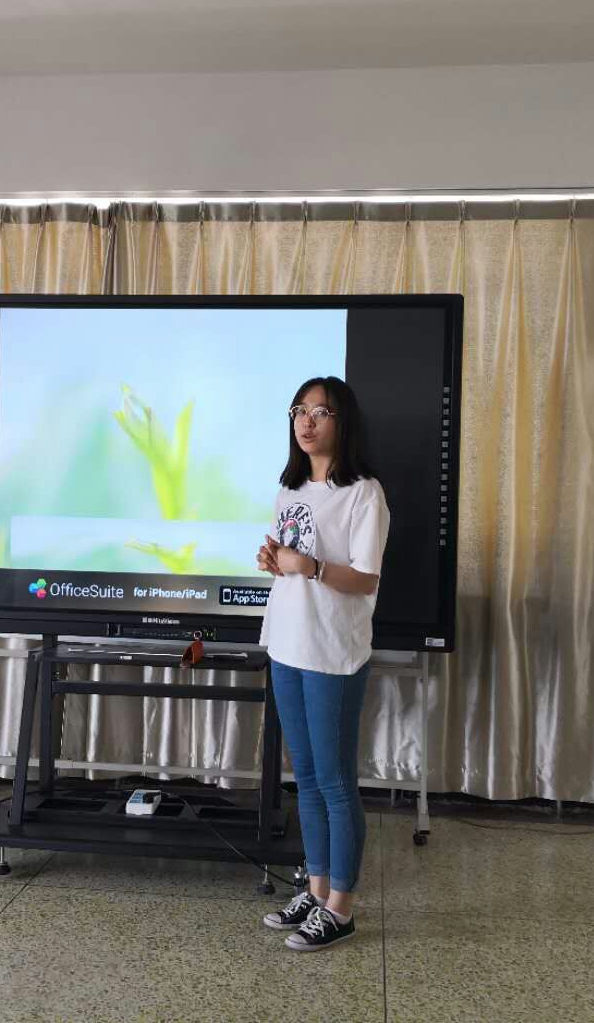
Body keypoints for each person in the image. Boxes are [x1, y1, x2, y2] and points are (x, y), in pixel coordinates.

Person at [256, 375, 390, 952]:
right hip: (286, 643)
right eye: (299, 411)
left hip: (333, 650)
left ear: (343, 421)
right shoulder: (289, 489)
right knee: (306, 777)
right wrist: (274, 560)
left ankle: (342, 907)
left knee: (335, 781)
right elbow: (289, 559)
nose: (306, 422)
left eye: (320, 412)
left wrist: (307, 567)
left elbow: (365, 578)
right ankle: (314, 892)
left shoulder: (363, 493)